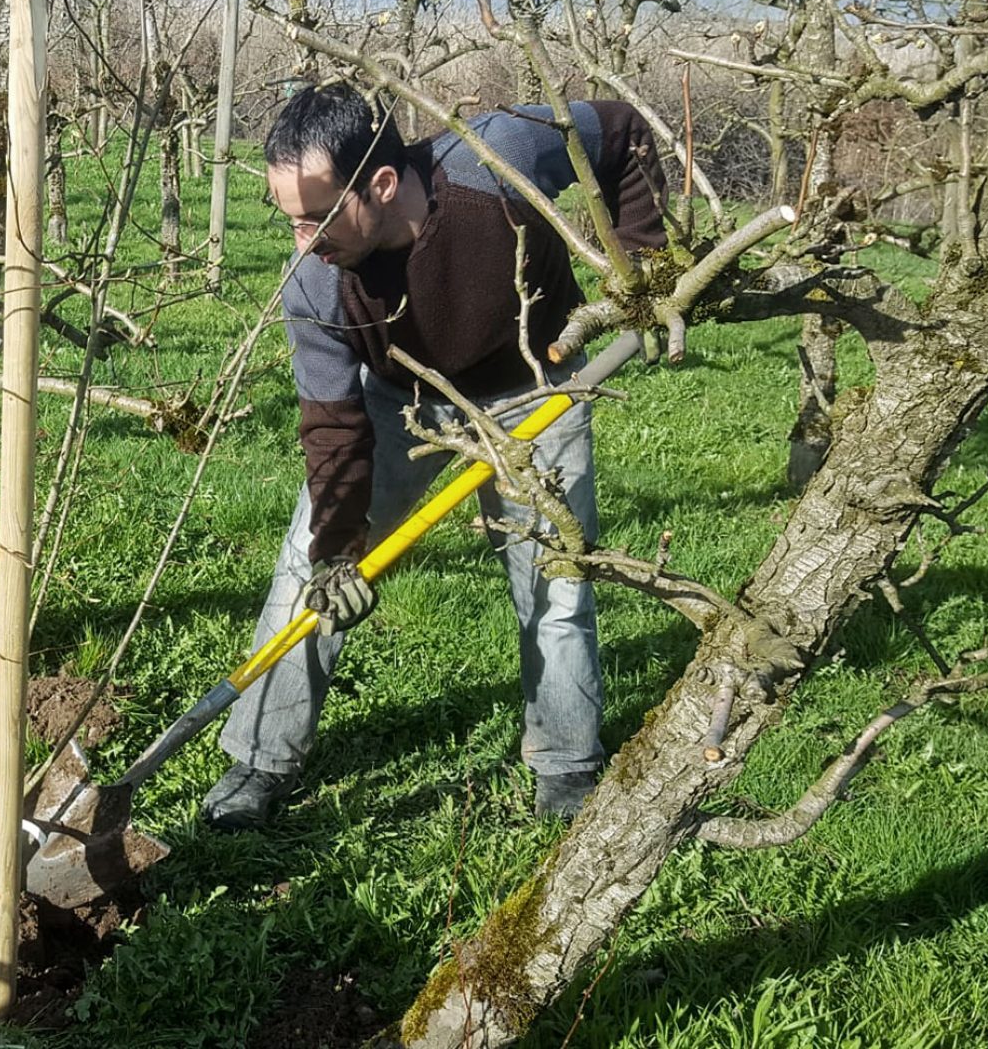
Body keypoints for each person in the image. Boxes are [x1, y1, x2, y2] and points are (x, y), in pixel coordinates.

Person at [202, 84, 668, 830]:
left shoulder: (497, 158)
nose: (302, 241)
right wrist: (337, 548)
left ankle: (567, 763)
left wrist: (647, 265)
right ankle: (259, 758)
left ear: (382, 184)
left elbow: (618, 128)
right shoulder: (316, 282)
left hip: (537, 387)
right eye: (288, 219)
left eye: (317, 216)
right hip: (403, 400)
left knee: (555, 578)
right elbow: (333, 425)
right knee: (305, 574)